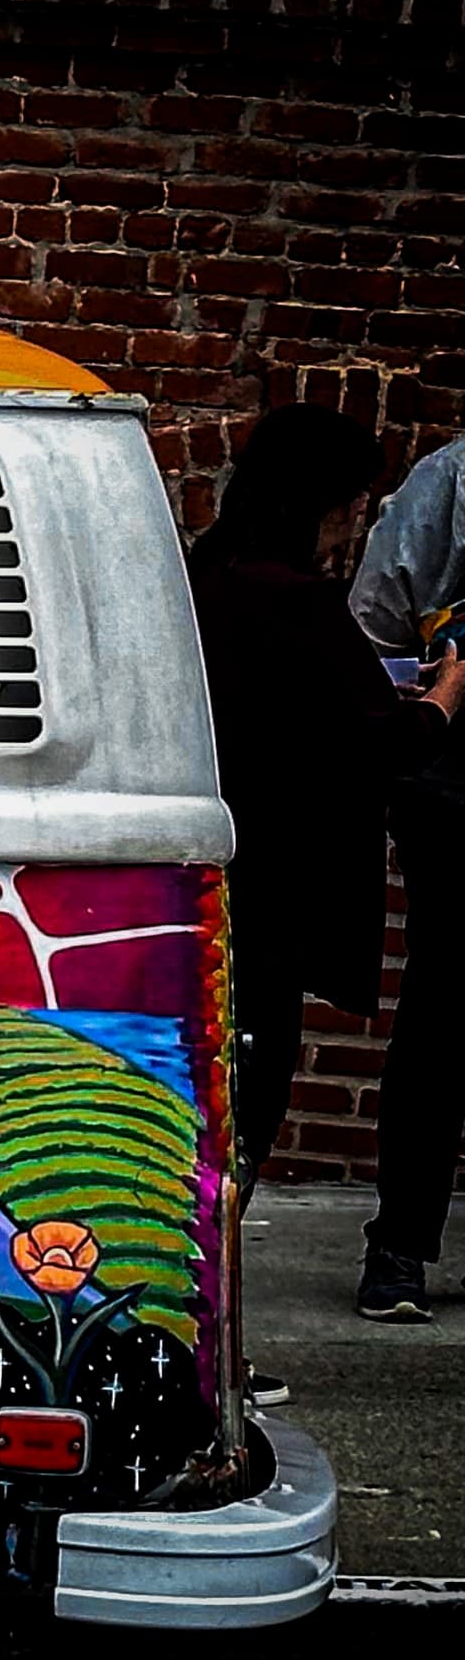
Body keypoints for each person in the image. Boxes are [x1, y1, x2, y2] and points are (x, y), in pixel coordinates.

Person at [191, 408, 465, 1340]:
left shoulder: (204, 576)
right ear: (324, 503)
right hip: (279, 886)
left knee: (210, 1102)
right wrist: (442, 701)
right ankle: (211, 1345)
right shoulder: (295, 600)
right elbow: (375, 740)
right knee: (250, 1105)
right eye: (352, 505)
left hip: (217, 872)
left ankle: (201, 1332)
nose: (358, 524)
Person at [349, 427, 465, 1318]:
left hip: (451, 780)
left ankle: (398, 1255)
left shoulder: (454, 474)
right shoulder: (452, 474)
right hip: (452, 781)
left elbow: (377, 618)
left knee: (441, 1010)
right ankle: (397, 1249)